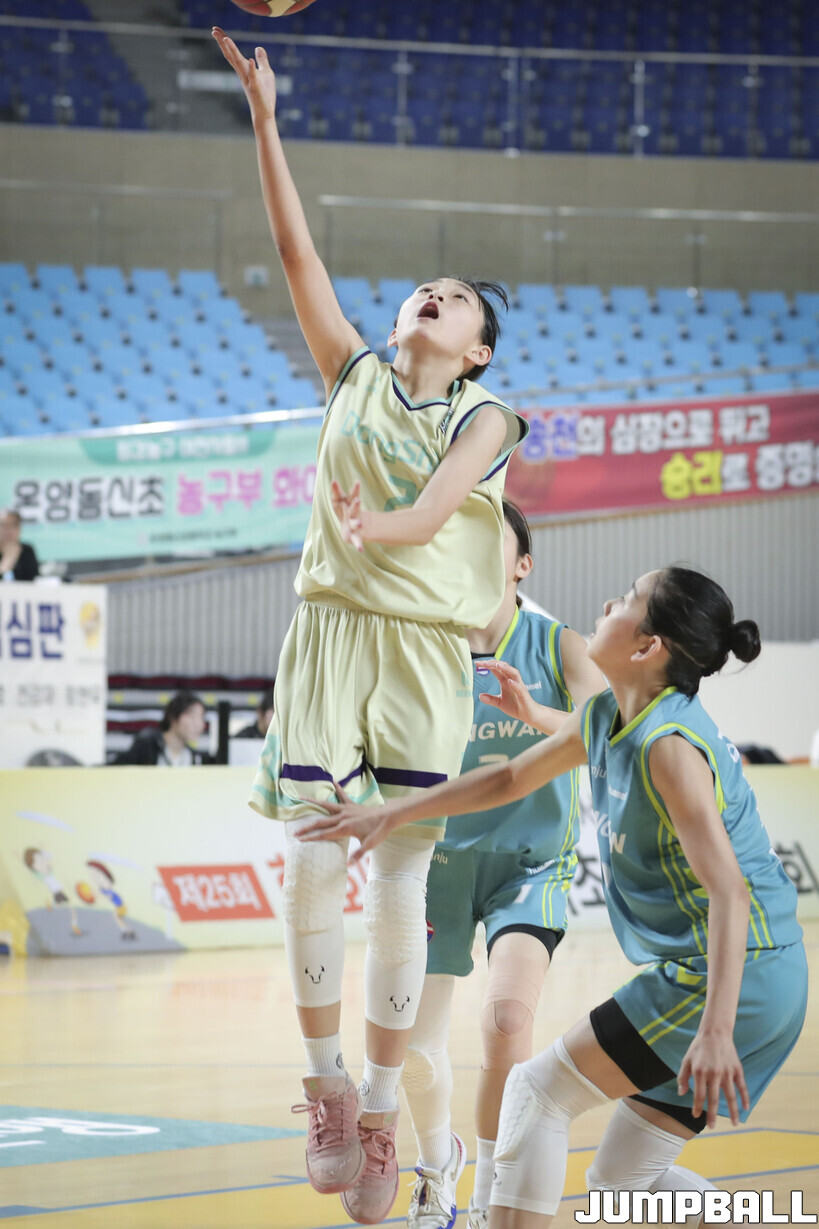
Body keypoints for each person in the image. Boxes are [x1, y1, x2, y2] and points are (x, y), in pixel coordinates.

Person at [213, 26, 528, 1226]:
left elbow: (435, 511)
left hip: (422, 652)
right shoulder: (349, 372)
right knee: (309, 852)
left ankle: (388, 1106)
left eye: (459, 300)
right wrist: (266, 120)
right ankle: (329, 1087)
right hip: (331, 632)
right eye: (423, 288)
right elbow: (295, 249)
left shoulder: (490, 416)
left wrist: (374, 523)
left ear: (477, 348)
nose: (433, 294)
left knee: (399, 873)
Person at [296, 566, 807, 1228]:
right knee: (623, 1183)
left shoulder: (669, 749)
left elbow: (729, 893)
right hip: (758, 978)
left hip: (731, 978)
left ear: (648, 646)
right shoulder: (609, 714)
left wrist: (714, 1030)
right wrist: (391, 812)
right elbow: (508, 777)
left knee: (536, 1093)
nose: (608, 601)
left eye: (628, 599)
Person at [403, 500, 606, 1229]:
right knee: (414, 1048)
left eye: (490, 537)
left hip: (530, 865)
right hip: (435, 862)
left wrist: (536, 717)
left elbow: (609, 730)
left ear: (522, 564)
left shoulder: (561, 646)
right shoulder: (421, 645)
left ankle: (492, 1195)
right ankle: (437, 1166)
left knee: (506, 1018)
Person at [114, 691, 213, 766]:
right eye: (192, 717)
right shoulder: (146, 747)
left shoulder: (195, 758)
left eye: (202, 718)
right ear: (173, 717)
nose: (199, 725)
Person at [0, 508, 39, 581]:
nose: (8, 530)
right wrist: (7, 561)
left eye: (13, 525)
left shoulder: (27, 550)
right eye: (4, 525)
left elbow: (33, 579)